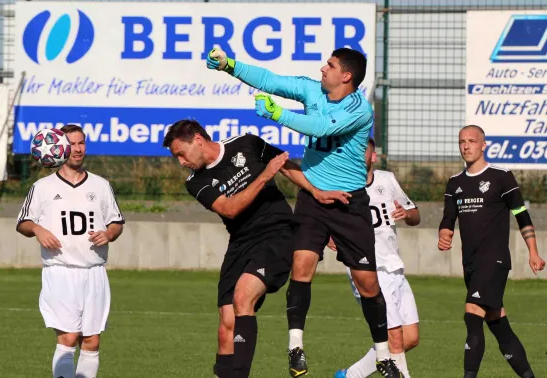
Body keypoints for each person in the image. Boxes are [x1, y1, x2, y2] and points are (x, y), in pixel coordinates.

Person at [207, 48, 403, 377]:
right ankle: (295, 346)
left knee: (367, 283)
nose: (322, 68)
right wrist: (229, 66)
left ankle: (383, 354)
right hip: (312, 198)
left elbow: (322, 127)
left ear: (347, 76)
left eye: (330, 65)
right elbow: (272, 80)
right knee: (302, 264)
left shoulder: (360, 110)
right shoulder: (313, 89)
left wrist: (277, 115)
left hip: (348, 202)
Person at [162, 119, 349, 378]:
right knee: (227, 320)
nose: (181, 162)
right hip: (240, 243)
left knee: (243, 297)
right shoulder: (196, 182)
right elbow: (230, 208)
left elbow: (285, 167)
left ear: (197, 139)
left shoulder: (246, 143)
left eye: (180, 154)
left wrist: (316, 193)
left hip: (278, 235)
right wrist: (264, 175)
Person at [16, 124, 125, 378]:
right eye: (72, 144)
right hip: (60, 271)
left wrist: (108, 233)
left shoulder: (100, 185)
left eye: (81, 143)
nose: (77, 149)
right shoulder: (42, 187)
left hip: (94, 272)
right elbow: (22, 223)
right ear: (59, 148)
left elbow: (116, 223)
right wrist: (38, 230)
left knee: (91, 342)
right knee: (68, 337)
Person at [438, 125, 546, 378]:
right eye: (462, 142)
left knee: (473, 313)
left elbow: (521, 214)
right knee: (498, 323)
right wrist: (445, 233)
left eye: (472, 141)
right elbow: (447, 218)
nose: (466, 146)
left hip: (495, 260)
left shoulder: (501, 177)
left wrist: (533, 251)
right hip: (471, 263)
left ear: (483, 145)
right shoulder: (455, 183)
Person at [332, 138, 420, 378]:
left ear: (373, 157)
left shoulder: (387, 180)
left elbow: (415, 215)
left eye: (364, 151)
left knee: (410, 338)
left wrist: (406, 213)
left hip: (394, 267)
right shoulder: (341, 185)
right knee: (394, 339)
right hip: (368, 270)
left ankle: (351, 375)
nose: (359, 155)